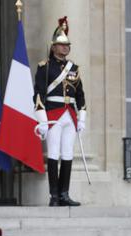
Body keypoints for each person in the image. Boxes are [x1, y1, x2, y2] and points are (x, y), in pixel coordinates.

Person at [34, 16, 86, 207]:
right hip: (53, 114)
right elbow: (38, 94)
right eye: (61, 45)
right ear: (53, 46)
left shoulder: (74, 68)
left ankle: (64, 194)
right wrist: (42, 120)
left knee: (67, 153)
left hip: (70, 116)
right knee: (54, 153)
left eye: (67, 45)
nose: (65, 48)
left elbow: (80, 95)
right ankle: (54, 196)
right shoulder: (45, 67)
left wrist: (82, 118)